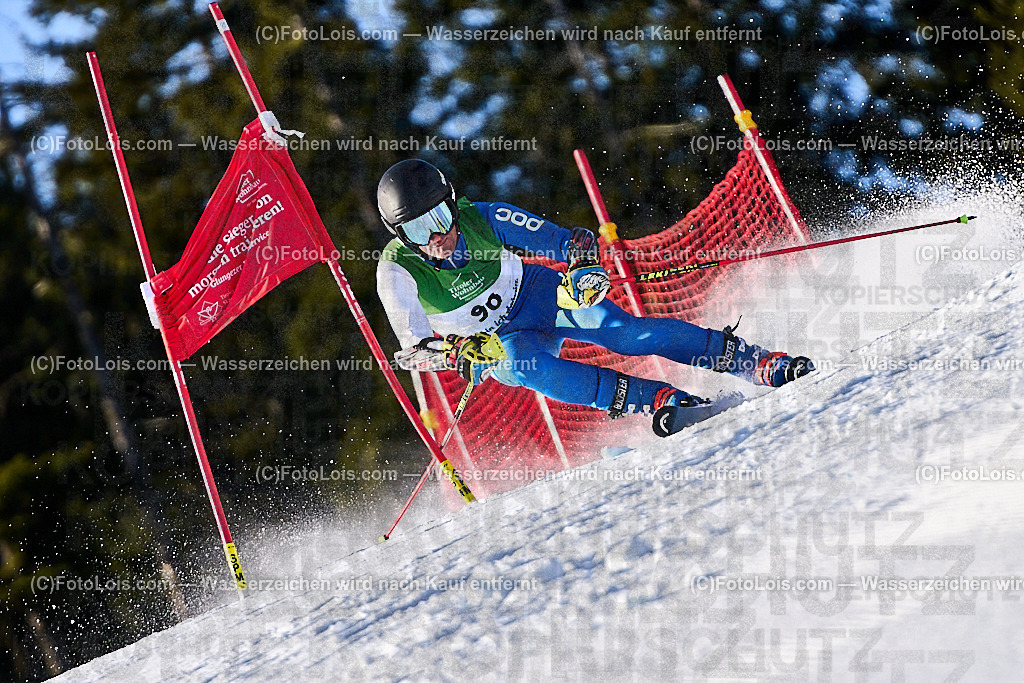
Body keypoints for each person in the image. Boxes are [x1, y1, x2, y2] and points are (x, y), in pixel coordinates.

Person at [375, 158, 813, 426]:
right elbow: (412, 352)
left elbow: (572, 242)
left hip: (539, 296)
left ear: (453, 203)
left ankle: (756, 363)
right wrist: (457, 352)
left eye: (439, 217)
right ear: (400, 234)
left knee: (626, 334)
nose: (436, 235)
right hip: (498, 345)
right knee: (529, 370)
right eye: (417, 228)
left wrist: (583, 269)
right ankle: (662, 401)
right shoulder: (396, 270)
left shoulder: (482, 216)